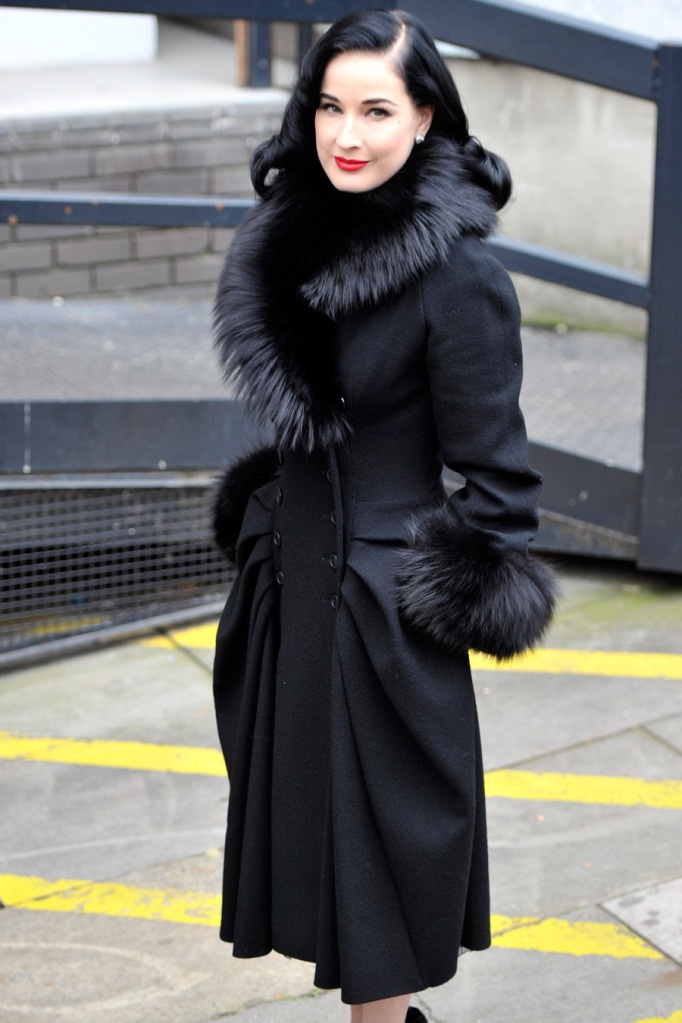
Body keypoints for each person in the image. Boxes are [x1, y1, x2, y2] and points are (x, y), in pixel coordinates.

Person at [211, 9, 556, 1023]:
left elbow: (501, 489)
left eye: (374, 108)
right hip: (286, 603)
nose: (344, 134)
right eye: (327, 105)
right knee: (319, 875)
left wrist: (419, 597)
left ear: (426, 119)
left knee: (380, 884)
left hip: (381, 623)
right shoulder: (296, 244)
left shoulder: (460, 283)